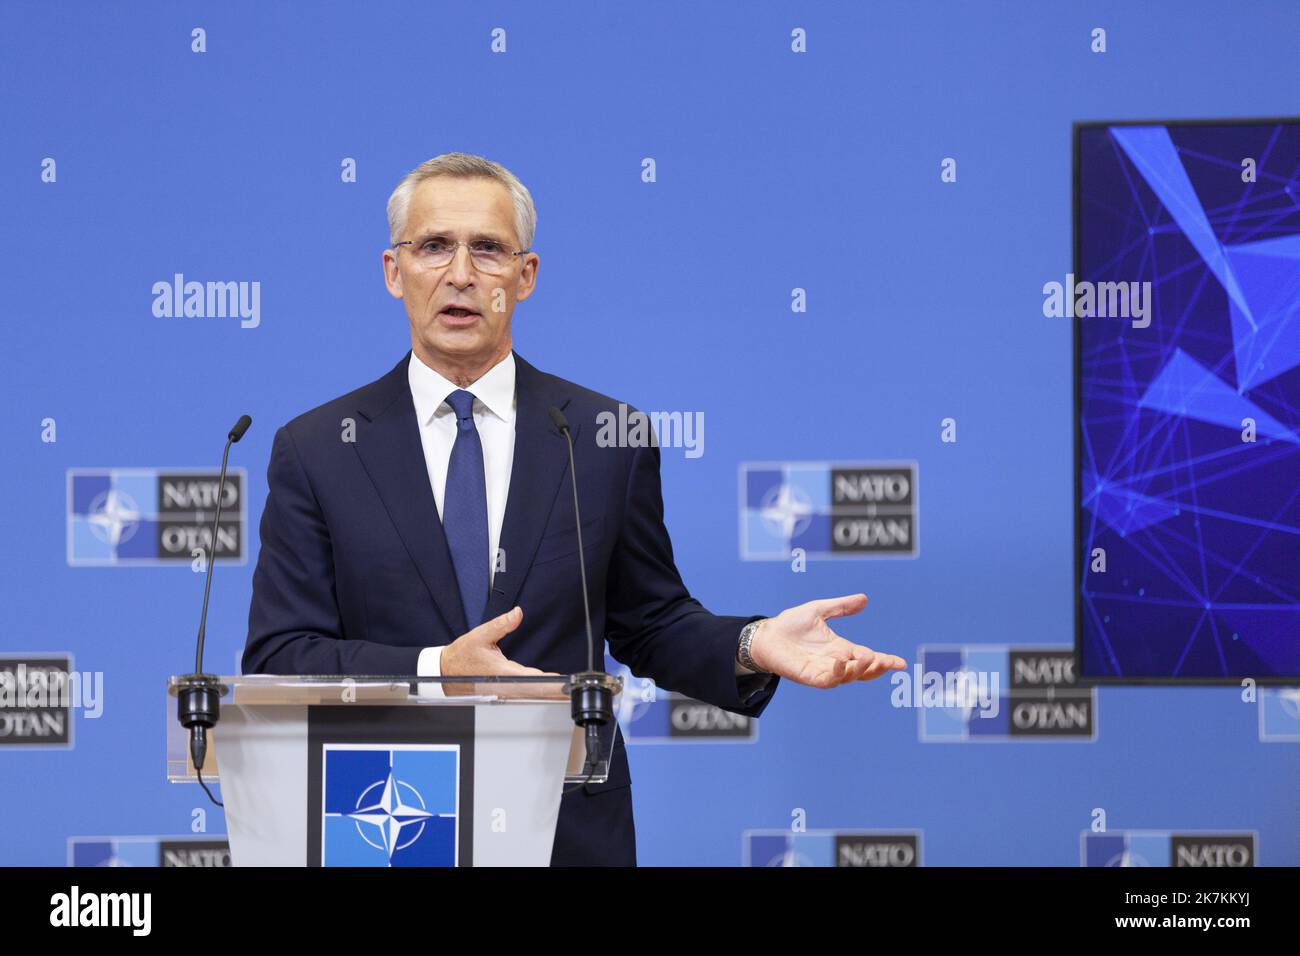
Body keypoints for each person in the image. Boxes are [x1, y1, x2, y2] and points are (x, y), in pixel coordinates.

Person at [242, 152, 906, 865]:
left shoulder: (601, 437)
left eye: (488, 250)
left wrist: (752, 644)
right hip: (385, 820)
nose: (461, 274)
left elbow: (651, 621)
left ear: (525, 277)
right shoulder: (318, 449)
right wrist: (437, 669)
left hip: (566, 828)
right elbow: (283, 655)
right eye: (434, 246)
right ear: (392, 271)